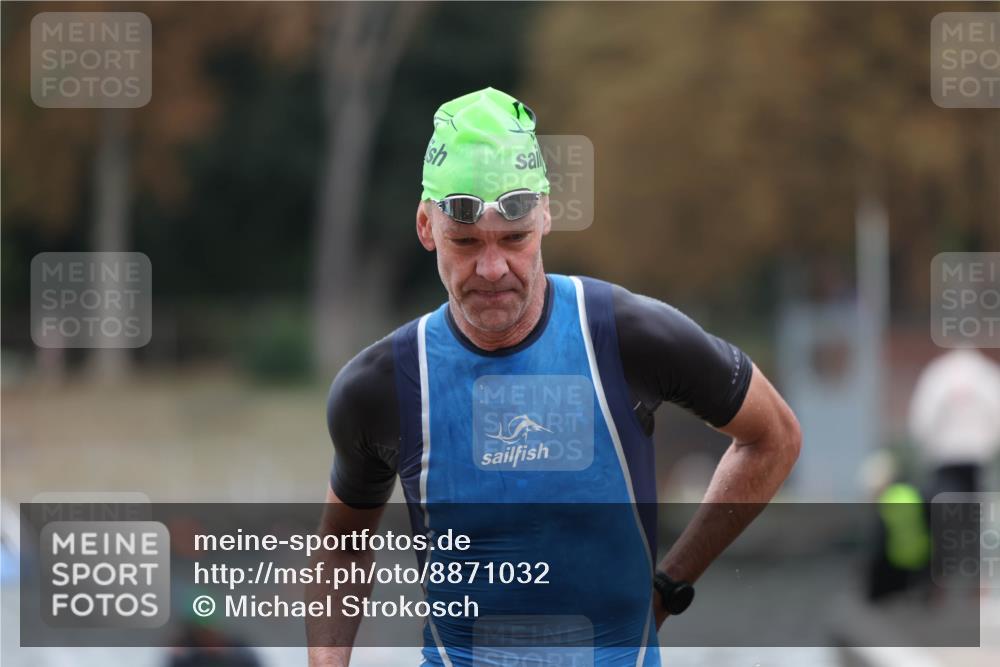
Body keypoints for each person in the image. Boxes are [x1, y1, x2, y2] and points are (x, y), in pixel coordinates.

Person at [307, 87, 801, 667]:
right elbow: (341, 547)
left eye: (513, 239)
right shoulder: (382, 385)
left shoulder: (627, 337)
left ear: (545, 213)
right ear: (425, 225)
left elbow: (774, 437)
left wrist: (670, 585)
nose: (492, 270)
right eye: (464, 243)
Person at [908, 348, 1000, 498]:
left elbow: (923, 417)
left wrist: (926, 448)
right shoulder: (987, 374)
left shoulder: (938, 373)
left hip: (947, 456)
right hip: (976, 456)